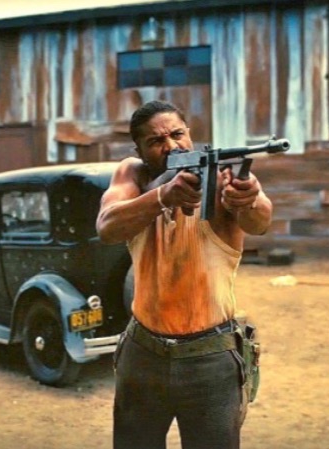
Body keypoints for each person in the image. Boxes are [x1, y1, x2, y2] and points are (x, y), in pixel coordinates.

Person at [96, 100, 272, 449]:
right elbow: (107, 226)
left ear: (190, 134)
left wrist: (248, 199)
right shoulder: (133, 176)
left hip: (210, 357)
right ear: (139, 151)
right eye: (156, 141)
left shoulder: (221, 176)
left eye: (177, 134)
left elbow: (260, 220)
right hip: (143, 352)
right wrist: (163, 195)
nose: (171, 146)